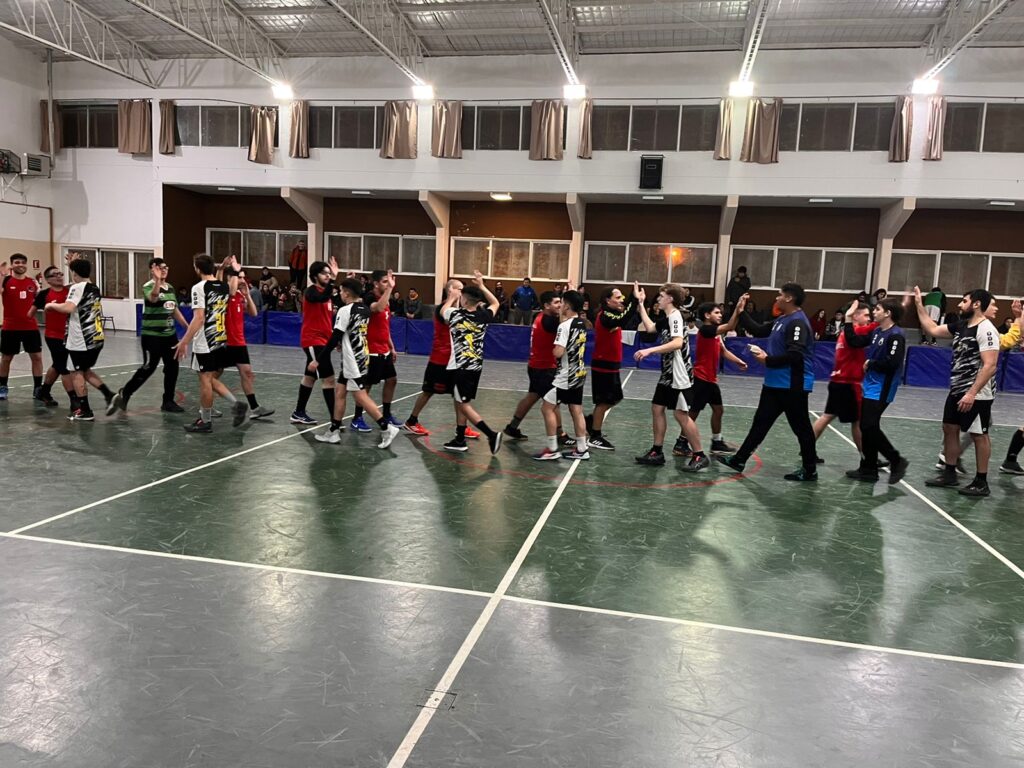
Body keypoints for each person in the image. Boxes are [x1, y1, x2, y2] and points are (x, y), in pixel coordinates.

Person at [717, 283, 819, 481]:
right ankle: (739, 459)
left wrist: (767, 360)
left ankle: (809, 469)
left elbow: (795, 355)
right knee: (760, 423)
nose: (777, 298)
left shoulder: (797, 322)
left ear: (789, 298)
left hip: (792, 385)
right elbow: (759, 330)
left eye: (779, 295)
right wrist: (741, 312)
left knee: (801, 428)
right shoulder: (783, 319)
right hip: (774, 383)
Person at [914, 286, 999, 497]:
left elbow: (990, 365)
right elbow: (932, 330)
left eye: (964, 300)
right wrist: (918, 304)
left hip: (977, 394)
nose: (960, 305)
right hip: (956, 389)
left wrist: (971, 393)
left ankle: (981, 481)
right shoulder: (961, 326)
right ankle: (949, 473)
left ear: (976, 304)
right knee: (949, 428)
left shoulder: (986, 329)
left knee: (979, 435)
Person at [311, 279, 401, 449]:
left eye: (341, 291)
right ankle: (334, 430)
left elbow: (335, 337)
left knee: (360, 395)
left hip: (352, 360)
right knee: (340, 392)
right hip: (361, 355)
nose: (340, 294)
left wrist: (318, 359)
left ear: (346, 293)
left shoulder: (345, 311)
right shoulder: (364, 309)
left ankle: (386, 427)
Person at [633, 284, 708, 471]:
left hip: (678, 374)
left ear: (670, 299)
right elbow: (650, 328)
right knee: (657, 408)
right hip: (668, 373)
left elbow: (677, 342)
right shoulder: (667, 318)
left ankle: (699, 455)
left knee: (681, 414)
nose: (658, 298)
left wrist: (649, 350)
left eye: (661, 295)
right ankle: (656, 451)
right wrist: (641, 303)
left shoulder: (675, 316)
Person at [174, 254, 248, 433]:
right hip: (220, 338)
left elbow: (199, 318)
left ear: (197, 269)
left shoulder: (198, 288)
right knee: (210, 378)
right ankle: (236, 404)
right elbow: (223, 288)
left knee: (205, 380)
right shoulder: (222, 286)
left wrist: (184, 341)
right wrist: (223, 269)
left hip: (205, 340)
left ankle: (205, 421)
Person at [841, 298, 909, 484]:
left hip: (883, 387)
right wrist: (848, 319)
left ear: (888, 313)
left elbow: (893, 362)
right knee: (866, 426)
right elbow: (854, 341)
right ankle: (869, 470)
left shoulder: (896, 335)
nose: (874, 312)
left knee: (869, 425)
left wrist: (872, 363)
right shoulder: (877, 331)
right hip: (870, 385)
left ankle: (896, 460)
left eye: (878, 309)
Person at [108, 257, 188, 415]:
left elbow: (173, 309)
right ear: (153, 269)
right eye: (161, 267)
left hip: (169, 336)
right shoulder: (149, 286)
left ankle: (168, 401)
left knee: (172, 368)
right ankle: (125, 393)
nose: (165, 270)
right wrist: (157, 280)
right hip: (152, 336)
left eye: (166, 267)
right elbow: (154, 297)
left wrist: (187, 325)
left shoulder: (170, 288)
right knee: (149, 367)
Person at [402, 279, 480, 441]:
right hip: (440, 360)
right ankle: (412, 421)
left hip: (454, 360)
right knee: (428, 392)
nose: (462, 292)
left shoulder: (458, 309)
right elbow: (448, 319)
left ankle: (462, 428)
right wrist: (453, 299)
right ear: (451, 290)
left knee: (459, 396)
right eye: (459, 289)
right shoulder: (443, 309)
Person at [43, 258, 116, 420]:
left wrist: (51, 306)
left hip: (81, 339)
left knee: (76, 372)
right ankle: (109, 395)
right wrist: (73, 264)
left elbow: (69, 307)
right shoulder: (94, 287)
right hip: (96, 336)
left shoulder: (77, 287)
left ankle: (85, 411)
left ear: (74, 273)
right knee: (85, 370)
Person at [440, 271, 503, 454]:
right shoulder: (484, 316)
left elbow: (443, 311)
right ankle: (460, 438)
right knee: (460, 401)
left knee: (464, 405)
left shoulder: (455, 314)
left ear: (465, 301)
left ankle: (491, 434)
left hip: (460, 367)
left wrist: (451, 297)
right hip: (475, 366)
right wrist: (482, 285)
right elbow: (496, 303)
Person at [678, 300, 747, 456]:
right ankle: (681, 443)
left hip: (711, 380)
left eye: (720, 312)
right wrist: (737, 309)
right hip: (701, 378)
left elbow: (723, 351)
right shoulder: (706, 330)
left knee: (718, 410)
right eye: (716, 312)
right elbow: (730, 326)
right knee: (693, 413)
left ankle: (716, 442)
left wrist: (738, 361)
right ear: (707, 315)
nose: (720, 315)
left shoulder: (716, 333)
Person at [810, 301, 875, 459]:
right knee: (858, 421)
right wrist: (883, 320)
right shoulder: (855, 331)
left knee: (827, 416)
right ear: (855, 315)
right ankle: (867, 457)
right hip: (848, 383)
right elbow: (871, 329)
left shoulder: (843, 333)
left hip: (837, 381)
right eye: (866, 315)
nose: (868, 319)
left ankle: (807, 449)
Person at [533, 290, 590, 461]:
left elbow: (558, 352)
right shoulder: (581, 323)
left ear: (567, 306)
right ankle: (582, 449)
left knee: (547, 407)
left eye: (562, 302)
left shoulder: (564, 327)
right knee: (576, 410)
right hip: (579, 372)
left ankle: (552, 449)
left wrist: (553, 349)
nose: (561, 305)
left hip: (566, 375)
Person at [504, 290, 567, 443]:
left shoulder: (539, 316)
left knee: (532, 396)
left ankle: (512, 427)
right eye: (557, 303)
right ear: (546, 305)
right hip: (544, 368)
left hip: (536, 365)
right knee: (553, 402)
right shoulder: (549, 321)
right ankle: (561, 435)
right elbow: (567, 323)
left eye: (561, 302)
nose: (560, 306)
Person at [583, 283, 640, 451]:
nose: (621, 300)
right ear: (607, 300)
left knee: (614, 398)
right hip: (603, 365)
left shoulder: (613, 313)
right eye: (617, 297)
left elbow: (624, 315)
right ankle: (595, 436)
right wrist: (634, 299)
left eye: (622, 297)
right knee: (604, 401)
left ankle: (592, 421)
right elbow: (624, 318)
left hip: (612, 364)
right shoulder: (605, 316)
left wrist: (632, 299)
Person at [219, 263, 274, 420]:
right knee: (211, 377)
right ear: (230, 278)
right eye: (239, 277)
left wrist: (247, 295)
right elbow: (229, 290)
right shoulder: (225, 292)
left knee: (247, 373)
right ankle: (206, 406)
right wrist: (233, 272)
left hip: (239, 343)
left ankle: (255, 408)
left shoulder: (240, 295)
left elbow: (254, 313)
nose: (242, 280)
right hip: (225, 343)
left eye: (243, 277)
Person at [351, 269, 403, 433]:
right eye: (385, 282)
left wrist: (391, 347)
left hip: (383, 349)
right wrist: (389, 290)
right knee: (367, 385)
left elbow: (384, 327)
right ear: (376, 283)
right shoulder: (369, 297)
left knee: (392, 379)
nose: (388, 285)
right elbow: (377, 309)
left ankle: (386, 414)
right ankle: (357, 418)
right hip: (370, 350)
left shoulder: (386, 299)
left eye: (389, 282)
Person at [290, 258, 340, 424]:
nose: (327, 275)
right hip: (313, 340)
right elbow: (322, 296)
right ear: (314, 275)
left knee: (309, 377)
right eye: (324, 273)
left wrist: (334, 339)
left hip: (323, 340)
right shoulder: (310, 292)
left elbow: (325, 320)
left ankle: (298, 412)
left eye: (328, 273)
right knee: (329, 378)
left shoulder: (327, 296)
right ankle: (335, 419)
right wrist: (334, 278)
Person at [0, 253, 43, 400]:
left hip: (30, 327)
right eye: (17, 262)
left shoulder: (32, 282)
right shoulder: (6, 281)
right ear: (12, 265)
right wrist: (1, 275)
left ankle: (38, 388)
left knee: (37, 357)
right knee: (6, 358)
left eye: (23, 262)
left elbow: (39, 300)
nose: (21, 265)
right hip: (10, 327)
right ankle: (2, 386)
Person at [32, 265, 73, 409]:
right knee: (63, 367)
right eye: (55, 274)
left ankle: (43, 392)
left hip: (69, 335)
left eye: (60, 273)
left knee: (57, 364)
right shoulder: (44, 294)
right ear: (48, 280)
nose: (59, 276)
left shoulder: (70, 292)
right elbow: (30, 313)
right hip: (53, 335)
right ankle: (75, 400)